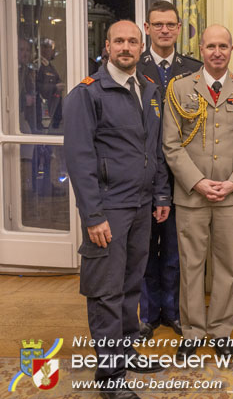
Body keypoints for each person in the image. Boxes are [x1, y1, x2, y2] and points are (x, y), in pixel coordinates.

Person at [64, 20, 170, 399]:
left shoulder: (150, 89)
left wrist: (160, 196)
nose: (126, 47)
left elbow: (154, 151)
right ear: (106, 46)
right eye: (118, 41)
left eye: (132, 41)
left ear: (141, 47)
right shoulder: (88, 94)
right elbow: (79, 159)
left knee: (130, 285)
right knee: (106, 292)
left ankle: (126, 349)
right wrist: (93, 216)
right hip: (108, 209)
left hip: (142, 206)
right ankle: (110, 376)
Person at [162, 24, 233, 360]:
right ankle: (192, 332)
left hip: (231, 195)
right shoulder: (179, 88)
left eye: (223, 46)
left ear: (232, 49)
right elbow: (171, 144)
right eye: (210, 46)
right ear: (200, 49)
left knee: (225, 266)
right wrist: (198, 181)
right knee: (190, 267)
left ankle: (220, 331)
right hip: (191, 194)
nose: (217, 52)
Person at [136, 0, 202, 340]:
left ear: (178, 29)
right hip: (142, 174)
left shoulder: (194, 68)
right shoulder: (134, 64)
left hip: (182, 175)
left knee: (177, 250)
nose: (164, 30)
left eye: (170, 25)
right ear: (147, 28)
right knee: (145, 250)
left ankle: (174, 311)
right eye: (157, 24)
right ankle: (148, 314)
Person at [37, 38, 65, 130]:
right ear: (43, 49)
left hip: (53, 107)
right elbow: (37, 86)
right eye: (51, 48)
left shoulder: (49, 66)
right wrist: (54, 87)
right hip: (42, 109)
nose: (54, 51)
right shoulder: (38, 65)